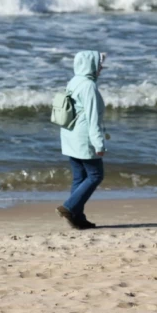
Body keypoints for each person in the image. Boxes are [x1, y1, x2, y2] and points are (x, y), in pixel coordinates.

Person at [56, 51, 107, 229]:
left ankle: (78, 219)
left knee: (79, 178)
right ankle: (69, 208)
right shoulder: (88, 86)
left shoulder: (74, 81)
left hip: (70, 135)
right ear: (90, 65)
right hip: (84, 138)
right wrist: (99, 144)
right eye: (99, 64)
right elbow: (92, 118)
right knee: (95, 175)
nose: (101, 68)